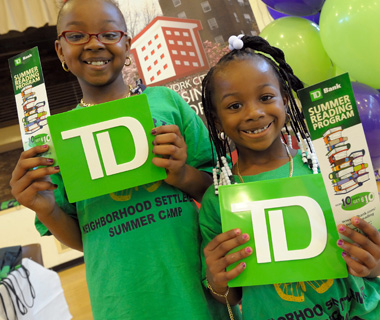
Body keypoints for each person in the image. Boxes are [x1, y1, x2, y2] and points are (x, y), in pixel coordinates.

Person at [9, 0, 242, 319]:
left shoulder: (167, 103)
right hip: (122, 302)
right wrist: (46, 208)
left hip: (196, 294)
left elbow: (217, 191)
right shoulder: (55, 142)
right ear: (61, 50)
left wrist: (182, 174)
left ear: (127, 44)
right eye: (77, 35)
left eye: (108, 33)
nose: (94, 43)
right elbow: (85, 240)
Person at [199, 35, 380, 319]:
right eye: (234, 106)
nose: (255, 113)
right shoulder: (219, 199)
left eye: (266, 98)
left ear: (285, 100)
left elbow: (373, 257)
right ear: (216, 119)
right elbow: (228, 295)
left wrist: (373, 264)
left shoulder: (332, 169)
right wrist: (217, 279)